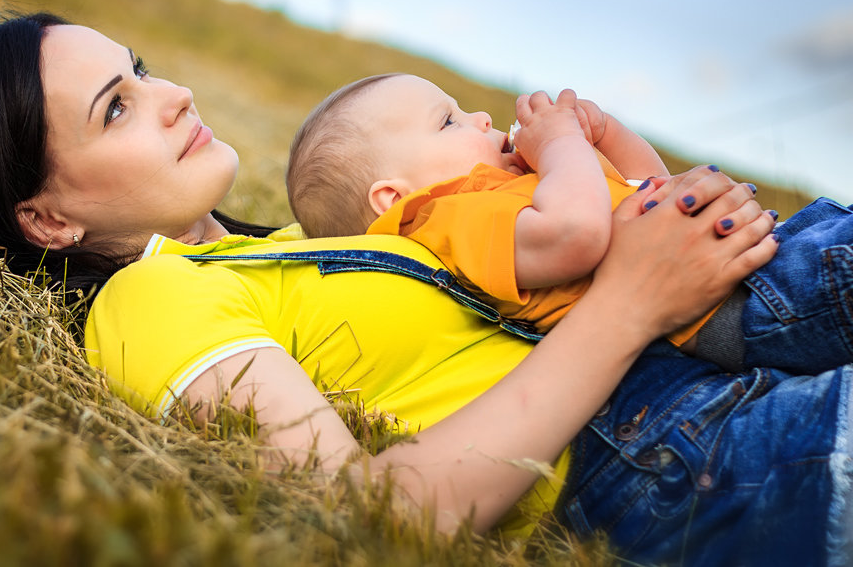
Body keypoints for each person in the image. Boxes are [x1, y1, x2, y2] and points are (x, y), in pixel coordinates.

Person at [0, 12, 852, 566]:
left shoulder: (305, 244)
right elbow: (368, 511)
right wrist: (627, 304)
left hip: (707, 374)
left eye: (139, 69)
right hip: (676, 458)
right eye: (119, 108)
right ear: (48, 221)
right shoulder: (152, 300)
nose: (173, 92)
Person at [287, 72, 853, 374]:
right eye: (449, 121)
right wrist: (559, 144)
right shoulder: (450, 218)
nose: (481, 117)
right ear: (394, 197)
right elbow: (578, 237)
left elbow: (645, 189)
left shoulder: (519, 184)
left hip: (757, 263)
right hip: (742, 301)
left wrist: (602, 134)